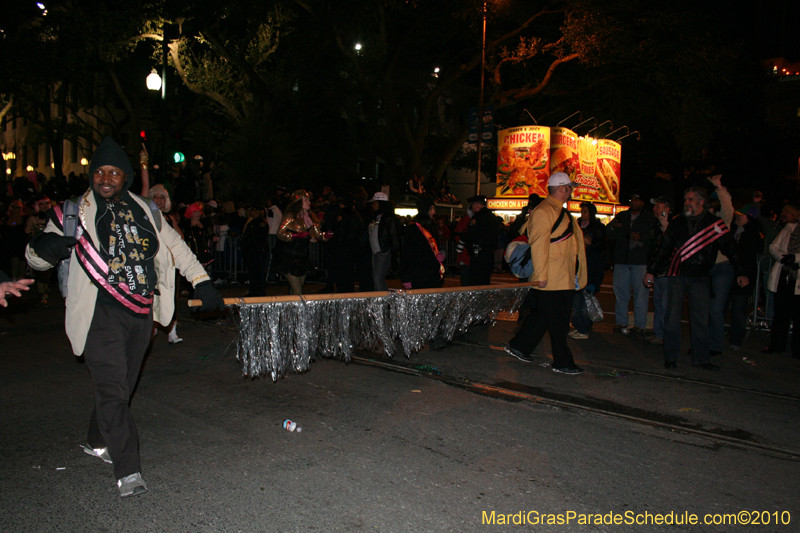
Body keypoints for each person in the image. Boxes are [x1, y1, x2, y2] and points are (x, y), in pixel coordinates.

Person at [25, 137, 224, 497]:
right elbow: (35, 256)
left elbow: (176, 246)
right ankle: (128, 471)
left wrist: (201, 281)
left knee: (124, 384)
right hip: (100, 311)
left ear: (126, 176)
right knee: (113, 388)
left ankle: (95, 438)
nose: (105, 178)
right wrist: (45, 250)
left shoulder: (146, 210)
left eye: (113, 172)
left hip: (142, 310)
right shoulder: (73, 212)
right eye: (99, 171)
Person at [645, 186, 748, 370]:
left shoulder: (714, 224)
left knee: (700, 320)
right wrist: (651, 270)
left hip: (701, 277)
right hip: (677, 275)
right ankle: (670, 357)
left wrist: (741, 272)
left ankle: (701, 359)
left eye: (690, 199)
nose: (686, 203)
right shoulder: (677, 222)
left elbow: (731, 249)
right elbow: (664, 247)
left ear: (701, 202)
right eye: (685, 199)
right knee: (672, 318)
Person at [503, 172, 587, 374]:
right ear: (562, 189)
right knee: (558, 322)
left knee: (544, 316)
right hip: (551, 277)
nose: (571, 191)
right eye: (570, 187)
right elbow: (539, 245)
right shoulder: (545, 211)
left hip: (562, 276)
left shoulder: (558, 211)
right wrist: (540, 275)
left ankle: (519, 346)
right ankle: (562, 362)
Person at [606, 192, 654, 335]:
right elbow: (609, 234)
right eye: (632, 199)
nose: (634, 202)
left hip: (640, 261)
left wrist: (641, 237)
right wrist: (614, 226)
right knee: (621, 293)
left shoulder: (649, 218)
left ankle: (640, 324)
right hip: (622, 260)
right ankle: (621, 322)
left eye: (637, 200)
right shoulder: (622, 215)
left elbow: (654, 237)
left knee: (641, 294)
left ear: (643, 202)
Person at [274, 189, 331, 295]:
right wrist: (295, 235)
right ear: (299, 202)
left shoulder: (309, 218)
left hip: (301, 257)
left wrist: (327, 235)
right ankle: (298, 311)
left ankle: (291, 310)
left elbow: (320, 235)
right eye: (306, 200)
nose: (309, 202)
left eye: (308, 200)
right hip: (289, 257)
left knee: (295, 290)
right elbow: (280, 233)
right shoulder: (290, 216)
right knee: (298, 291)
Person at [761, 202, 800, 357]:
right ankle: (777, 344)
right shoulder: (785, 230)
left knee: (798, 315)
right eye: (783, 211)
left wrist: (795, 258)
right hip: (784, 275)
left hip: (797, 277)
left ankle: (797, 349)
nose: (784, 214)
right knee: (780, 313)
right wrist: (783, 258)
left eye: (788, 212)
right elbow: (773, 247)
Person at [149, 184, 184, 344]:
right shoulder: (146, 216)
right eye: (155, 197)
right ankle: (152, 328)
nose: (158, 201)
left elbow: (180, 238)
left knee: (171, 297)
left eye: (162, 198)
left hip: (169, 264)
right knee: (152, 296)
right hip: (152, 263)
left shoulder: (170, 218)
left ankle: (172, 331)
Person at [569, 202, 605, 340]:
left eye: (585, 211)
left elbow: (599, 247)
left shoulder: (597, 228)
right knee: (578, 302)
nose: (582, 214)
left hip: (589, 272)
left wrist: (589, 243)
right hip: (579, 271)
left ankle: (583, 328)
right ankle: (580, 327)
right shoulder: (577, 225)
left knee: (584, 303)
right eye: (581, 211)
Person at [729, 209, 763, 350]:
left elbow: (749, 255)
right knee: (721, 306)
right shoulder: (731, 230)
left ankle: (736, 338)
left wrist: (744, 274)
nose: (737, 217)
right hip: (729, 272)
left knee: (738, 307)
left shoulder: (752, 234)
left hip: (744, 274)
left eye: (741, 216)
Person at [643, 196, 673, 346]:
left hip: (668, 271)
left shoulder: (671, 225)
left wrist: (665, 223)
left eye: (659, 207)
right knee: (659, 303)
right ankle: (659, 333)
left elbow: (670, 246)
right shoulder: (656, 225)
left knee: (665, 304)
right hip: (659, 270)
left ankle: (665, 334)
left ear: (666, 210)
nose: (655, 209)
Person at [399, 198, 445, 290]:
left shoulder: (430, 226)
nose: (433, 212)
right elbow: (407, 253)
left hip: (432, 275)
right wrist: (406, 277)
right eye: (431, 209)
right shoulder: (413, 228)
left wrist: (440, 254)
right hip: (418, 275)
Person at [462, 195, 503, 286]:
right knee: (485, 280)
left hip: (478, 254)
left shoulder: (477, 218)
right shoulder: (493, 218)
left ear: (476, 204)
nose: (472, 208)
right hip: (489, 254)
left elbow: (471, 235)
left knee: (475, 280)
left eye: (472, 205)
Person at [366, 192, 400, 292]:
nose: (373, 205)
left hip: (383, 251)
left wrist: (395, 255)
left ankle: (383, 302)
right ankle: (381, 300)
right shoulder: (377, 217)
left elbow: (394, 237)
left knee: (378, 279)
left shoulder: (389, 218)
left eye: (374, 202)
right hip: (376, 251)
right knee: (376, 279)